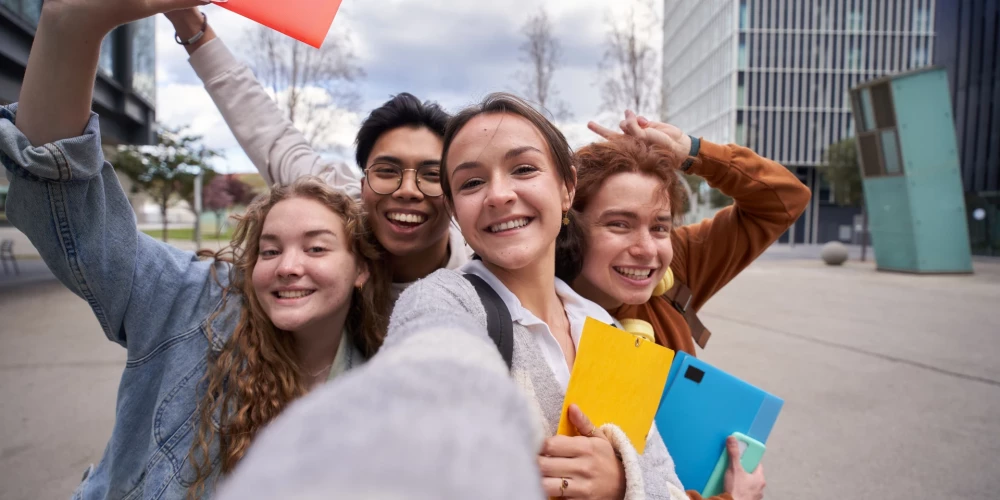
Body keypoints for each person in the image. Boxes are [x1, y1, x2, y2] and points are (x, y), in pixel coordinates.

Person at [1, 1, 392, 496]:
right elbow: (72, 214)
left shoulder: (389, 383)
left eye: (316, 249)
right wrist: (71, 23)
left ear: (361, 269)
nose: (288, 267)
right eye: (269, 251)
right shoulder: (192, 304)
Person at [384, 92, 688, 500]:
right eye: (472, 182)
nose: (498, 194)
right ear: (456, 211)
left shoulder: (608, 331)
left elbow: (670, 487)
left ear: (567, 190)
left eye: (523, 169)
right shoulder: (441, 302)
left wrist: (622, 484)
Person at [560, 112, 812, 500]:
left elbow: (784, 200)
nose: (646, 249)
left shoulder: (677, 266)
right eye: (619, 224)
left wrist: (693, 154)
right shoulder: (543, 324)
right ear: (569, 230)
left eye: (660, 226)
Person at [164, 8, 467, 302]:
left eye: (431, 175)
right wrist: (187, 20)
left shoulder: (486, 267)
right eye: (387, 171)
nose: (407, 191)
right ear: (362, 185)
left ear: (455, 193)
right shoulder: (330, 204)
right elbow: (264, 128)